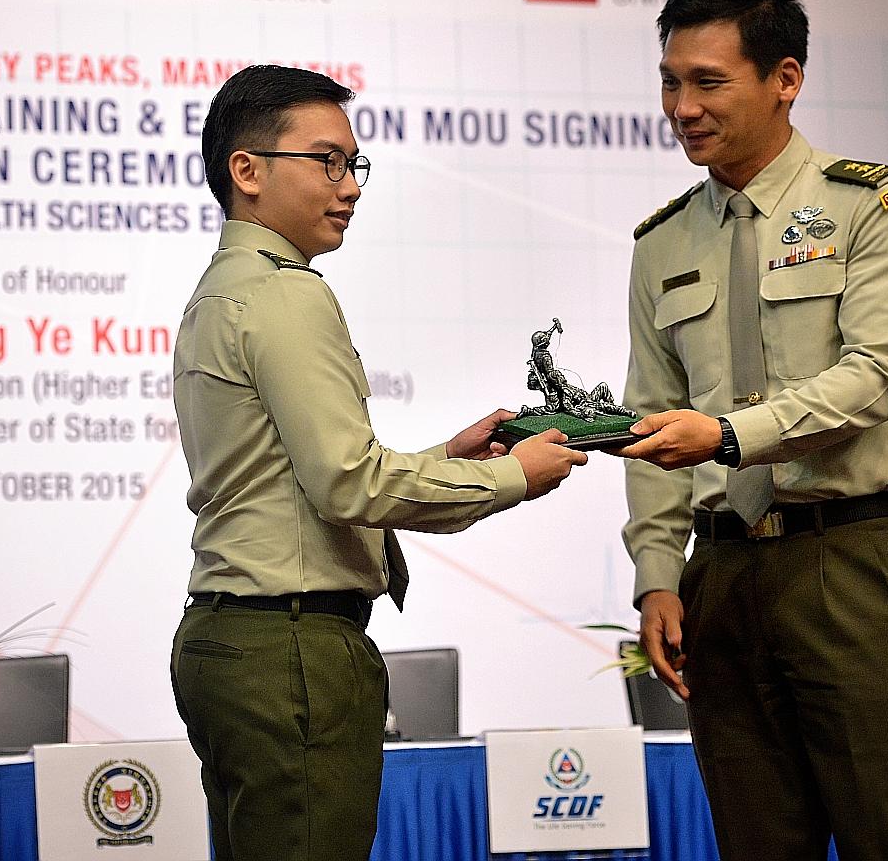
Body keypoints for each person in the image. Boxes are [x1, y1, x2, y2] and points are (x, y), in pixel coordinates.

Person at [170, 64, 586, 861]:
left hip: (230, 643)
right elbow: (347, 482)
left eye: (354, 164)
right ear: (247, 171)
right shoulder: (286, 293)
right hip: (292, 653)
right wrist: (512, 475)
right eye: (325, 161)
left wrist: (447, 459)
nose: (350, 184)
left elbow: (291, 483)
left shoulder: (220, 291)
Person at [617, 0, 888, 860]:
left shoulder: (869, 206)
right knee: (757, 841)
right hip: (718, 576)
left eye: (708, 81)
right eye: (669, 81)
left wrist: (728, 436)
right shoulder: (662, 242)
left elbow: (875, 378)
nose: (682, 107)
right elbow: (649, 420)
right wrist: (658, 572)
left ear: (786, 79)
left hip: (844, 560)